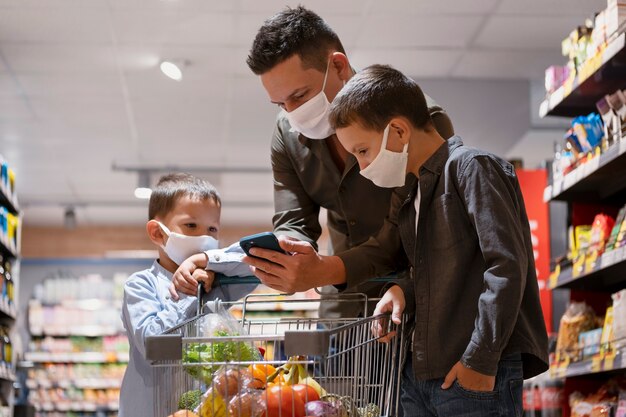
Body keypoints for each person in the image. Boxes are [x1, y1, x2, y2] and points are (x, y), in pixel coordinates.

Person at [247, 64, 549, 416]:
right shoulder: (411, 195)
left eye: (362, 151)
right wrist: (403, 289)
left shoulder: (472, 168)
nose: (361, 167)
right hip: (421, 374)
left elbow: (507, 268)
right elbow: (433, 267)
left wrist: (480, 360)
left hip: (471, 372)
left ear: (399, 131)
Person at [240, 6, 453, 318]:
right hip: (341, 308)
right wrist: (289, 253)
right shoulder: (286, 132)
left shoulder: (418, 121)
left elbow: (402, 232)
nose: (292, 112)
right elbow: (294, 221)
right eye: (280, 103)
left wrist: (325, 270)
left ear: (338, 66)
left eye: (299, 96)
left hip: (411, 301)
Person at [119, 173, 255, 417]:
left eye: (212, 229)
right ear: (158, 233)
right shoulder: (140, 285)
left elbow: (259, 265)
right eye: (191, 226)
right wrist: (189, 291)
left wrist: (209, 260)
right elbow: (153, 346)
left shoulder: (217, 282)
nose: (204, 237)